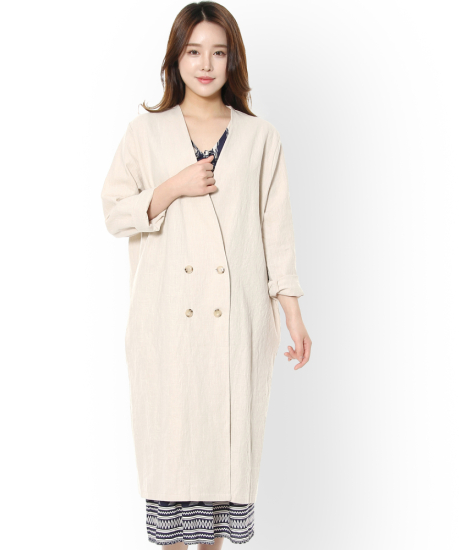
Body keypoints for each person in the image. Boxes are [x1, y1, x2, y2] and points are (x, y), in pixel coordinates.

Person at [100, 2, 312, 547]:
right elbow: (114, 213)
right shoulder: (145, 133)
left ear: (232, 60)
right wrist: (173, 187)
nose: (205, 64)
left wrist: (292, 312)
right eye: (194, 51)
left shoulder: (260, 137)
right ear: (176, 58)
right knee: (172, 464)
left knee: (224, 467)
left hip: (236, 324)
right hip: (166, 323)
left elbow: (276, 230)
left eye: (218, 52)